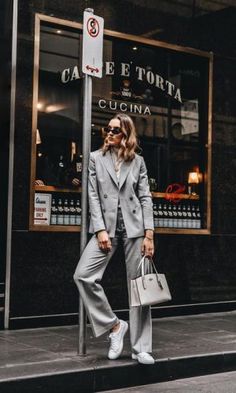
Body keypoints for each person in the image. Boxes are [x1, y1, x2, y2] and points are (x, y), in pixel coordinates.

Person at [73, 113, 155, 365]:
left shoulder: (137, 161)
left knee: (139, 289)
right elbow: (93, 197)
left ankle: (141, 348)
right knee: (83, 275)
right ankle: (115, 325)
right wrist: (99, 230)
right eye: (107, 129)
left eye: (115, 130)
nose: (108, 133)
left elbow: (145, 197)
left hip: (135, 229)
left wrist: (149, 234)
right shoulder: (96, 159)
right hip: (106, 229)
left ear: (126, 135)